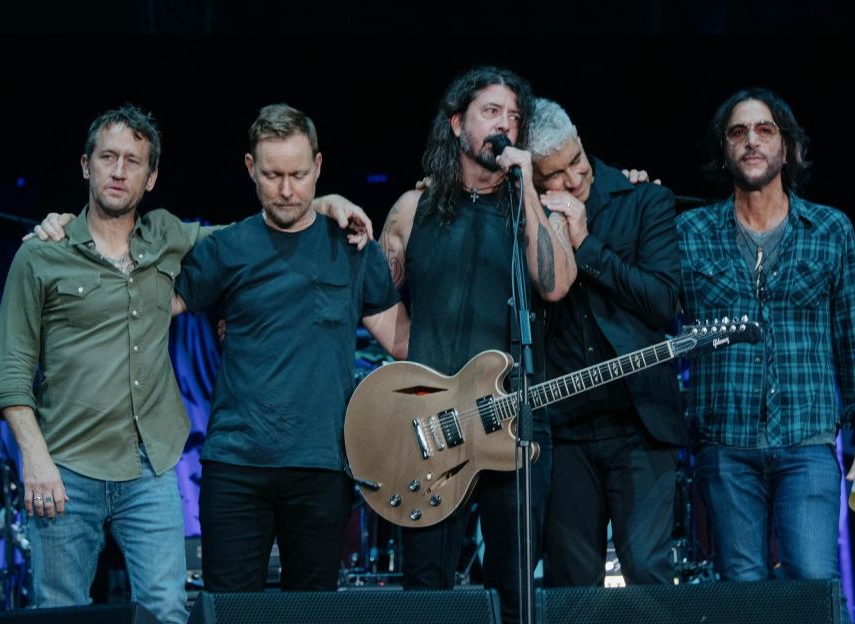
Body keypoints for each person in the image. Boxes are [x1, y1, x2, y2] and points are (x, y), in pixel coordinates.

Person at [171, 103, 408, 592]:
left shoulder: (352, 245)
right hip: (236, 466)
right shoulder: (225, 247)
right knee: (231, 613)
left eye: (298, 174)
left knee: (312, 613)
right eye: (272, 174)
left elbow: (403, 342)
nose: (286, 189)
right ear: (250, 169)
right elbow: (153, 305)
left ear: (318, 167)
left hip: (321, 465)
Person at [0, 104, 201, 624]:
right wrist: (35, 460)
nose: (119, 169)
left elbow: (243, 242)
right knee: (60, 614)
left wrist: (323, 203)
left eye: (133, 161)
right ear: (86, 165)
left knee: (168, 610)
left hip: (150, 466)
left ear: (151, 178)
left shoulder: (166, 238)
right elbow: (9, 369)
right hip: (66, 468)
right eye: (108, 156)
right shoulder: (41, 254)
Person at [377, 66, 575, 624]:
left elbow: (556, 283)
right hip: (434, 426)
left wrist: (530, 188)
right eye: (492, 112)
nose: (505, 124)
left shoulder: (526, 208)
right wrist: (406, 347)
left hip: (514, 423)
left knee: (516, 589)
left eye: (515, 116)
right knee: (428, 589)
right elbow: (368, 296)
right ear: (457, 121)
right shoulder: (413, 210)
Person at [676, 88, 855, 585]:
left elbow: (852, 339)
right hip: (725, 446)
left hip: (808, 441)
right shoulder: (690, 233)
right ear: (724, 152)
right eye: (737, 132)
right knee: (742, 588)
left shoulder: (829, 229)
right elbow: (649, 302)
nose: (751, 141)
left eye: (764, 130)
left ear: (787, 148)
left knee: (813, 581)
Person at [525, 98, 685, 587]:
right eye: (554, 175)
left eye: (576, 159)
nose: (574, 179)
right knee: (571, 586)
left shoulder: (643, 201)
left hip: (640, 425)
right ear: (531, 181)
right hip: (565, 432)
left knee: (649, 576)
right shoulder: (525, 222)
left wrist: (587, 246)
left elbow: (663, 302)